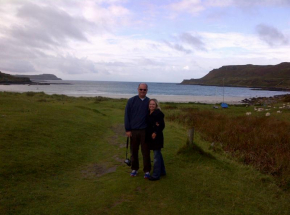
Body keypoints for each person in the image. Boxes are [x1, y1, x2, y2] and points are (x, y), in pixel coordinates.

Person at [124, 83, 151, 178]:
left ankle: (147, 171)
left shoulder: (149, 102)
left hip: (145, 131)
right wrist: (128, 129)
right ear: (138, 89)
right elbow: (127, 116)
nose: (142, 91)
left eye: (144, 90)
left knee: (146, 152)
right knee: (134, 151)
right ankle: (134, 169)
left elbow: (153, 115)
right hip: (134, 131)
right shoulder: (131, 101)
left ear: (147, 90)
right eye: (141, 89)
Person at [146, 99, 166, 181]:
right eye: (150, 104)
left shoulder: (158, 113)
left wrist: (155, 132)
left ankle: (155, 175)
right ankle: (162, 171)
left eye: (153, 104)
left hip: (156, 137)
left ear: (156, 105)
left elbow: (162, 125)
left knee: (156, 156)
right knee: (158, 154)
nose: (151, 106)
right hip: (151, 136)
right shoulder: (148, 113)